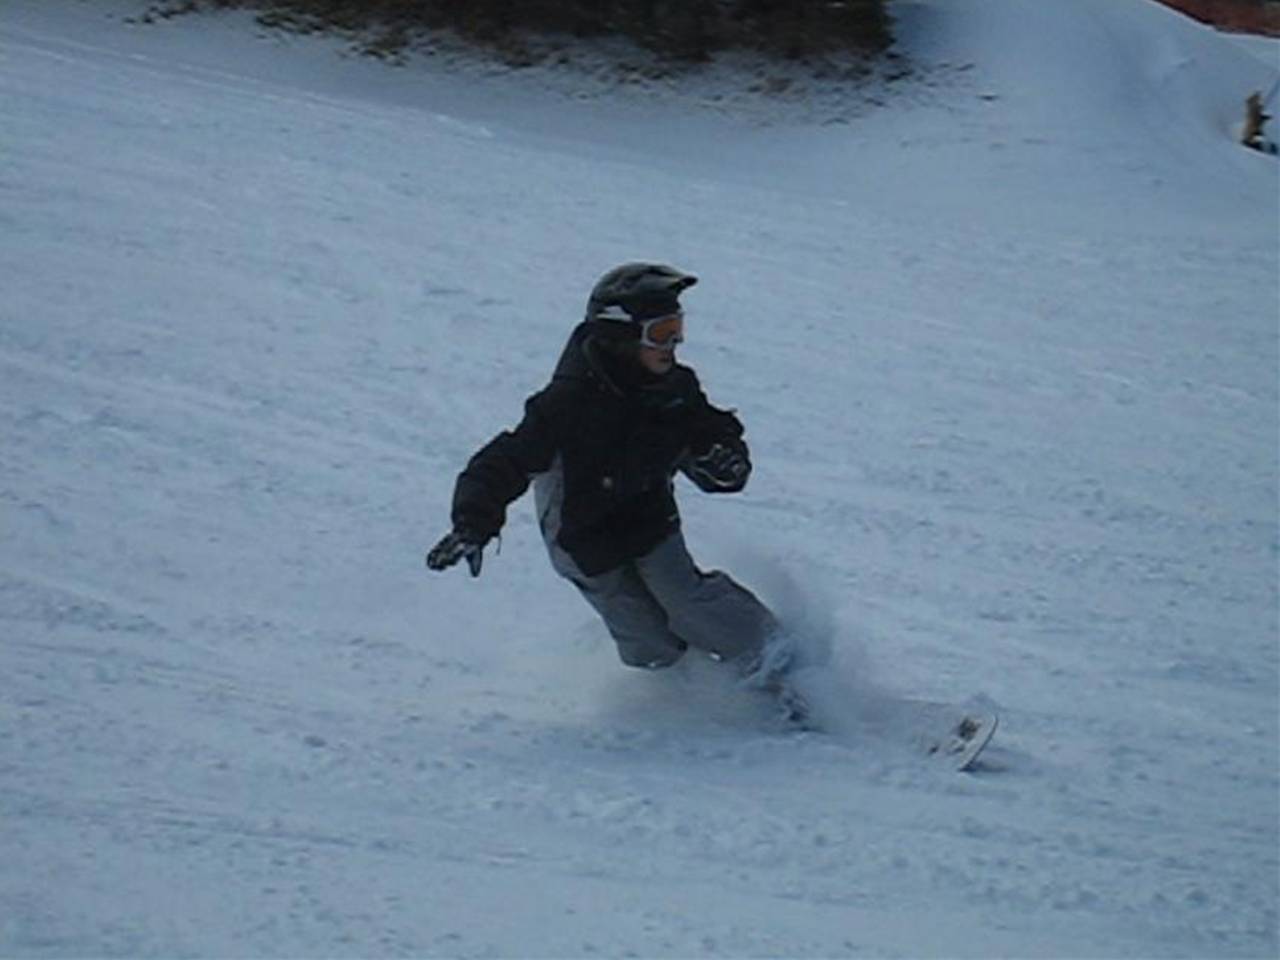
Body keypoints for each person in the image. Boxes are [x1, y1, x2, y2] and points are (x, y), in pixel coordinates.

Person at [426, 262, 803, 722]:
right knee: (648, 640)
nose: (673, 344)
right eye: (660, 332)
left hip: (647, 517)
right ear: (619, 335)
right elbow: (501, 462)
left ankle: (784, 666)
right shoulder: (567, 405)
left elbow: (710, 436)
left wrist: (723, 461)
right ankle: (689, 698)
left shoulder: (674, 389)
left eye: (677, 329)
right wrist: (474, 521)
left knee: (686, 599)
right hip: (582, 536)